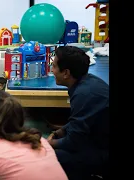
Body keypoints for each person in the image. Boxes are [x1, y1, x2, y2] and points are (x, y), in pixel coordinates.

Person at [47, 46, 109, 180]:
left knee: (51, 157)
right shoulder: (87, 82)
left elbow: (73, 143)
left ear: (66, 73)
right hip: (98, 138)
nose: (52, 71)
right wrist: (58, 133)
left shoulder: (84, 94)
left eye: (54, 66)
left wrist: (47, 144)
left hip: (103, 151)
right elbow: (79, 120)